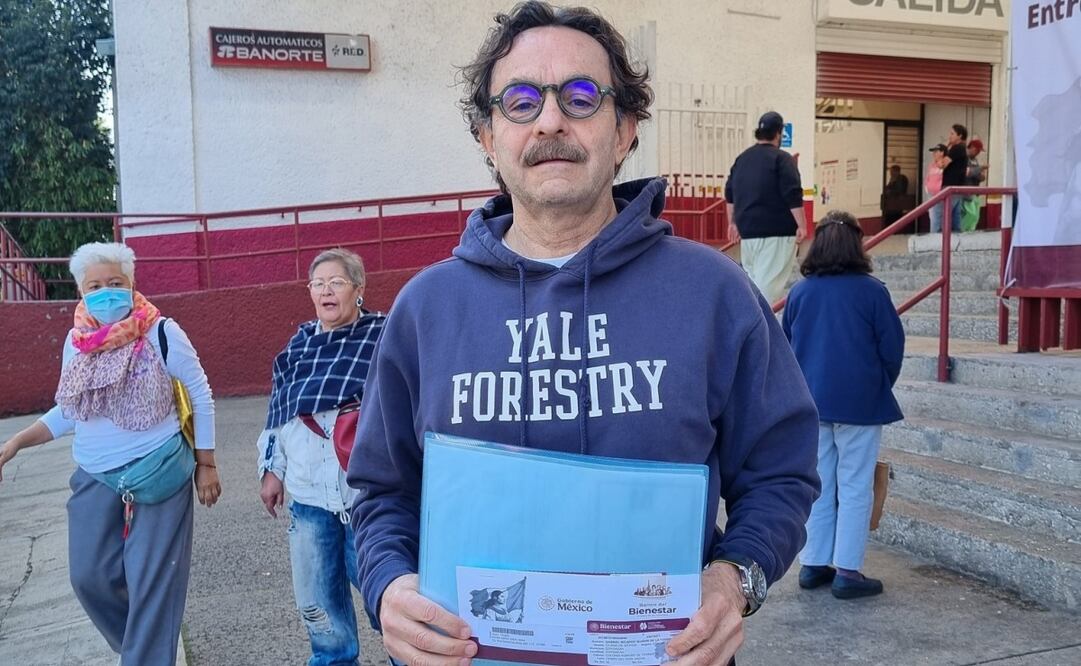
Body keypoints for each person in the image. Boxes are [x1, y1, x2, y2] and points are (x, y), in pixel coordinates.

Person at [347, 3, 820, 666]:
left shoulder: (714, 295)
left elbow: (781, 473)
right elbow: (382, 496)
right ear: (486, 134)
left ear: (624, 129)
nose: (549, 121)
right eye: (519, 101)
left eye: (580, 96)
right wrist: (388, 588)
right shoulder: (426, 310)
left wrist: (735, 575)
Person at [0, 241, 220, 665]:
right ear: (81, 291)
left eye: (115, 283)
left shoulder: (161, 332)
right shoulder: (76, 342)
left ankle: (146, 653)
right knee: (89, 577)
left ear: (131, 283)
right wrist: (15, 444)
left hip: (158, 471)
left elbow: (201, 395)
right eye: (95, 285)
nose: (106, 292)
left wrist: (206, 463)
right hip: (95, 476)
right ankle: (145, 646)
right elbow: (70, 410)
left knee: (152, 581)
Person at [256, 248, 385, 666]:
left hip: (367, 499)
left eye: (336, 282)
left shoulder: (383, 335)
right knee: (323, 621)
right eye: (318, 283)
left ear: (358, 290)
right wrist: (271, 471)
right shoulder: (299, 346)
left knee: (394, 607)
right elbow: (279, 412)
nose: (326, 290)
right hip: (310, 500)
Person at [780, 211, 905, 600]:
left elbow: (786, 348)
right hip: (861, 405)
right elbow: (892, 349)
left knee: (818, 484)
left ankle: (814, 563)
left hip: (812, 404)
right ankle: (848, 570)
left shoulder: (800, 292)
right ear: (857, 244)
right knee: (854, 487)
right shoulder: (873, 291)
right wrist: (877, 384)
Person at [725, 110, 807, 304]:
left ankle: (751, 331)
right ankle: (758, 333)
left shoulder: (742, 159)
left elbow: (730, 193)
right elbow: (792, 193)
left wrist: (732, 224)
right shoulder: (782, 159)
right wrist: (802, 225)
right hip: (777, 233)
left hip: (748, 234)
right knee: (766, 294)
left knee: (753, 287)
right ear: (778, 133)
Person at [936, 123, 969, 232]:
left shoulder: (957, 148)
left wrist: (938, 157)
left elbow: (942, 164)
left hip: (950, 186)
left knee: (945, 214)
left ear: (960, 136)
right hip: (958, 186)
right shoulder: (962, 149)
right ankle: (956, 239)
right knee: (956, 216)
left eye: (952, 134)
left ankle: (944, 238)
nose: (949, 136)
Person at [961, 137, 987, 231]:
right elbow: (967, 173)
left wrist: (981, 175)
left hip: (975, 192)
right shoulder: (964, 158)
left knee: (975, 217)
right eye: (977, 150)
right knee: (970, 215)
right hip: (966, 194)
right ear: (971, 147)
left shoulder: (975, 160)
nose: (978, 153)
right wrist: (979, 169)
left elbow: (978, 175)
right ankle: (961, 232)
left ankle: (970, 234)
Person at [924, 144, 946, 233]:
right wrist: (926, 188)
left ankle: (934, 238)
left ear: (942, 153)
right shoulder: (932, 165)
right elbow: (928, 177)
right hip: (931, 195)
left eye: (936, 152)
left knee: (937, 218)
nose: (933, 154)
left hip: (940, 195)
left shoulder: (945, 164)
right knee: (933, 217)